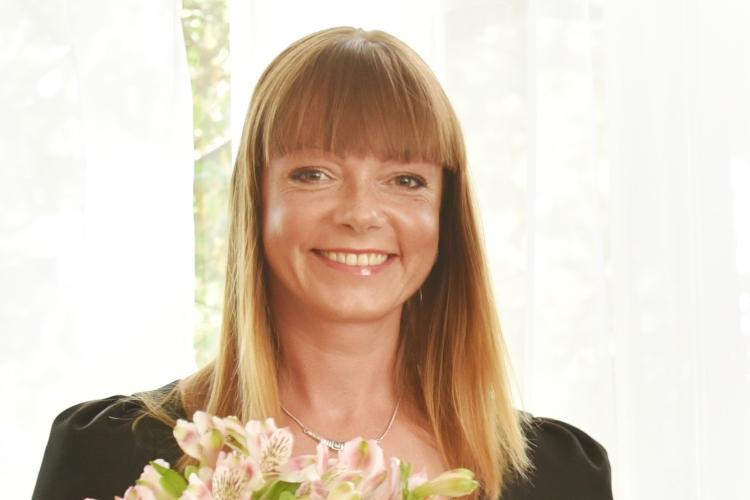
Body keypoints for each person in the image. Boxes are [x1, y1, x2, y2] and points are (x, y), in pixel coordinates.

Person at [33, 27, 613, 500]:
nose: (360, 214)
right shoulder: (110, 456)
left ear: (445, 215)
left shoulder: (560, 476)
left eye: (405, 180)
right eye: (314, 174)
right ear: (258, 201)